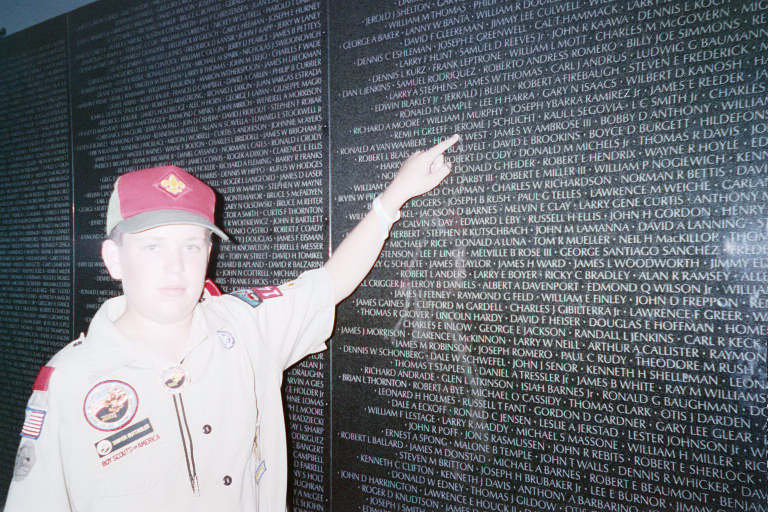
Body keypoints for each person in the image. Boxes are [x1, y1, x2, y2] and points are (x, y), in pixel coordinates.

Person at [3, 134, 460, 511]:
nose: (175, 266)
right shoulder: (69, 382)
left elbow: (330, 282)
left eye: (191, 245)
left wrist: (394, 196)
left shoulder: (244, 327)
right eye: (153, 246)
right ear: (113, 258)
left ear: (209, 253)